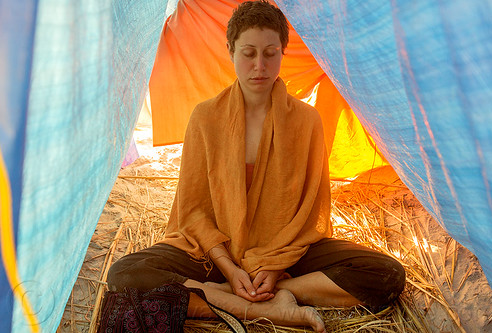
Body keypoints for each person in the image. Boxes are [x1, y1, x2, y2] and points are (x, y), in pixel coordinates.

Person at [106, 1, 405, 332]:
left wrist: (276, 271)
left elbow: (309, 213)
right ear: (231, 51)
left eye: (270, 53)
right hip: (216, 256)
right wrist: (231, 272)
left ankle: (281, 292)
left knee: (386, 274)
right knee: (126, 273)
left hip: (287, 253)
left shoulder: (307, 122)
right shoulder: (205, 118)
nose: (259, 65)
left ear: (282, 53)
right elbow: (193, 212)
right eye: (248, 53)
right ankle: (238, 302)